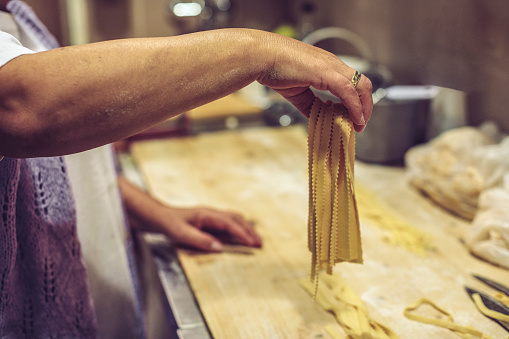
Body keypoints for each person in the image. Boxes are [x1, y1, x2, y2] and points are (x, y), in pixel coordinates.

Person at [0, 0, 373, 338]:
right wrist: (257, 52)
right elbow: (21, 108)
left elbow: (53, 170)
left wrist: (155, 213)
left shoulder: (20, 17)